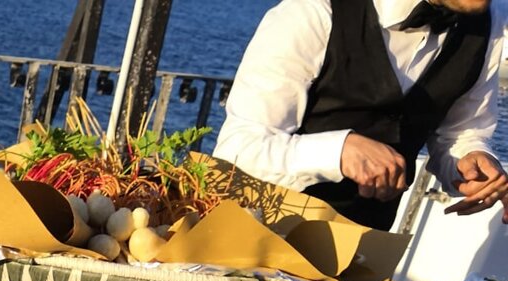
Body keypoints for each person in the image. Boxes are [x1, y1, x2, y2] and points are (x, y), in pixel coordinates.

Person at [214, 0, 508, 230]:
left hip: (364, 254)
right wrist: (339, 151)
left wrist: (470, 161)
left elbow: (460, 132)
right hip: (254, 240)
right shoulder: (311, 12)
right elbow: (237, 150)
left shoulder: (489, 22)